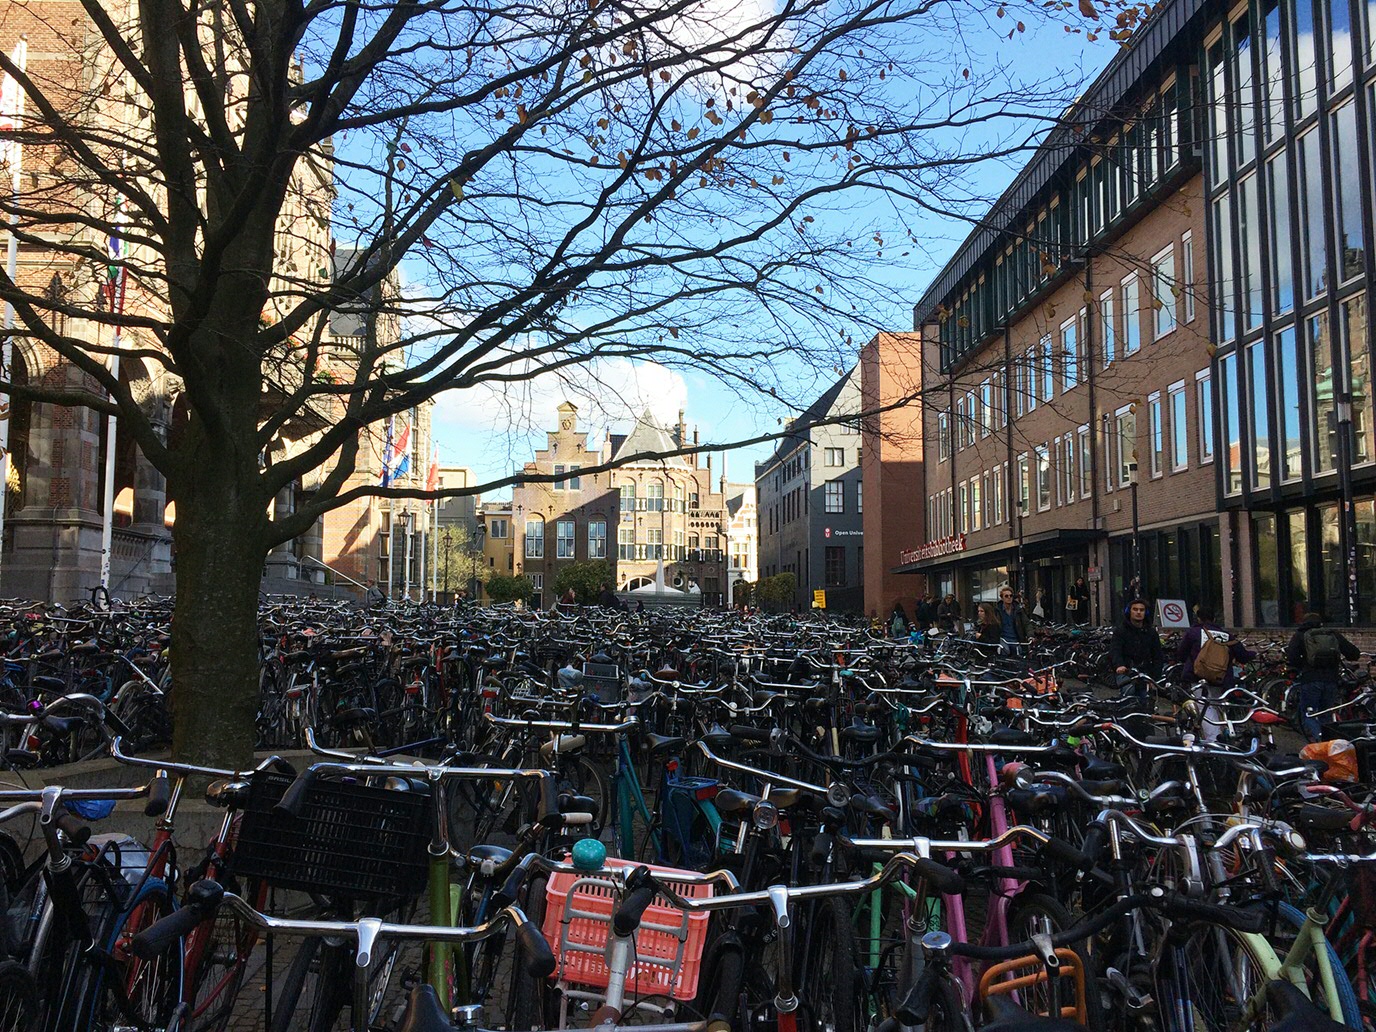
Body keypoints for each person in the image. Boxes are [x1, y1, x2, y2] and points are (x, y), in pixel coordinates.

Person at [1175, 605, 1255, 741]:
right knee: (1219, 707)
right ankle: (1228, 736)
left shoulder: (1193, 632)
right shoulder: (1226, 635)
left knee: (1205, 710)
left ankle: (1214, 742)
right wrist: (1254, 653)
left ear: (1198, 618)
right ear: (1214, 618)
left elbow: (1181, 654)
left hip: (1198, 678)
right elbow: (1243, 656)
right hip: (1221, 679)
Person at [1286, 611, 1360, 741]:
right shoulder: (1332, 634)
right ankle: (1329, 742)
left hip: (1310, 679)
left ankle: (1320, 740)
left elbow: (1292, 657)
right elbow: (1353, 653)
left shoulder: (1300, 635)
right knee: (1326, 714)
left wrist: (1301, 667)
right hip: (1331, 679)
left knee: (1309, 714)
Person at [1110, 599, 1164, 698]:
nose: (1138, 612)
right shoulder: (1120, 631)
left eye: (1141, 610)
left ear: (1145, 613)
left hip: (1145, 672)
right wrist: (1119, 665)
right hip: (1127, 671)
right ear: (1128, 612)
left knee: (1148, 698)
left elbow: (1157, 656)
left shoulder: (1151, 633)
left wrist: (1155, 678)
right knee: (1129, 692)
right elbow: (1115, 650)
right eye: (1135, 609)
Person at [995, 585, 1030, 654]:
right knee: (1005, 650)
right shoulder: (997, 610)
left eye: (1011, 596)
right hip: (1003, 639)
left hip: (1016, 639)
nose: (1009, 598)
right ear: (1002, 598)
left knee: (1019, 653)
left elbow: (1027, 623)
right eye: (1006, 596)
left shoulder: (1018, 610)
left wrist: (1030, 635)